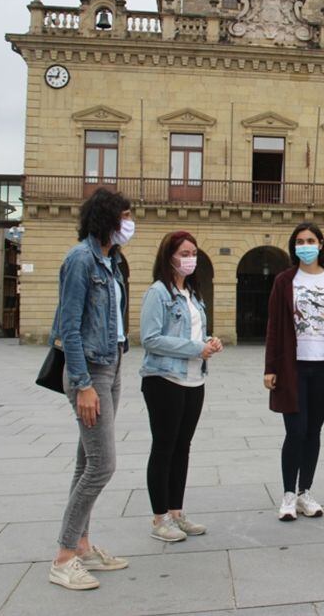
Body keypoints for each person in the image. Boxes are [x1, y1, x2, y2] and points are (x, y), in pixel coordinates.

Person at [47, 188, 133, 591]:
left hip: (111, 366)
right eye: (126, 216)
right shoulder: (80, 260)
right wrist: (82, 384)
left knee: (87, 462)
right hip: (90, 371)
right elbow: (69, 327)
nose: (130, 225)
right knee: (103, 465)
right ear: (108, 218)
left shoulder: (112, 261)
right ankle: (63, 556)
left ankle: (81, 544)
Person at [140, 231, 222, 542]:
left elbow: (194, 333)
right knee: (164, 447)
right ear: (169, 256)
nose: (190, 258)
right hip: (164, 380)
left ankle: (176, 512)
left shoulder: (193, 294)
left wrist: (209, 343)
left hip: (194, 379)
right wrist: (193, 348)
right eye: (184, 252)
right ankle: (160, 518)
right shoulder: (158, 293)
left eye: (193, 252)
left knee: (182, 448)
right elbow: (150, 339)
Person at [263, 222, 324, 522]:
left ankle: (305, 493)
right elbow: (274, 325)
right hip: (292, 367)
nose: (305, 246)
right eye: (299, 241)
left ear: (321, 244)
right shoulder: (285, 280)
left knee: (313, 432)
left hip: (323, 368)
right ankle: (288, 494)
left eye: (310, 240)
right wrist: (270, 367)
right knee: (295, 431)